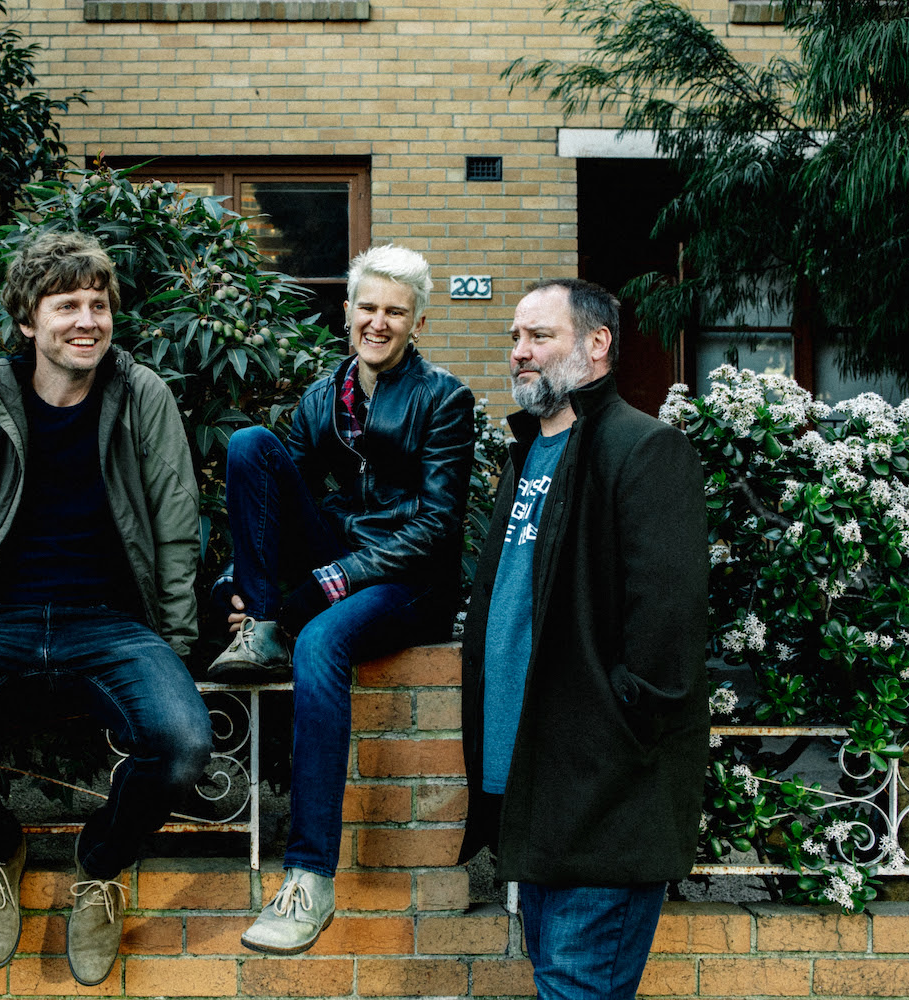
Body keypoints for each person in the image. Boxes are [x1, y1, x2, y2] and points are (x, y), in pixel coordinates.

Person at [0, 231, 213, 986]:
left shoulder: (142, 395)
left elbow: (175, 524)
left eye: (99, 304)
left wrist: (174, 643)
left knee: (184, 744)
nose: (87, 320)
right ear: (28, 321)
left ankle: (99, 865)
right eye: (67, 306)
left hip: (112, 622)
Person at [206, 244, 476, 954]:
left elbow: (437, 526)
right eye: (368, 307)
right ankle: (258, 626)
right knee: (251, 446)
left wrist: (328, 583)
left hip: (410, 580)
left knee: (322, 640)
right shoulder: (323, 398)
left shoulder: (444, 399)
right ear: (347, 311)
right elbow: (273, 507)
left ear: (417, 322)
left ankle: (308, 880)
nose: (378, 323)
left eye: (396, 312)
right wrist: (246, 585)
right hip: (343, 558)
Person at [459, 278, 709, 999]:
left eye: (540, 336)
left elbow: (668, 632)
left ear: (598, 344)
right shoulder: (525, 455)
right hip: (534, 793)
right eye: (515, 337)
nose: (520, 351)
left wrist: (614, 732)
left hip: (604, 797)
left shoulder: (646, 449)